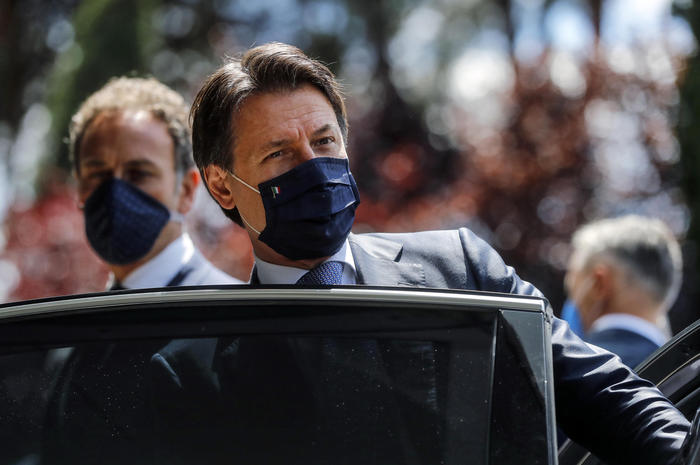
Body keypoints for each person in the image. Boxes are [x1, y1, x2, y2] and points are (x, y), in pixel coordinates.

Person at [151, 43, 691, 465]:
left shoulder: (459, 268)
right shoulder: (198, 369)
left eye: (325, 141)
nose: (313, 166)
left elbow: (606, 396)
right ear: (222, 188)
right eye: (279, 154)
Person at [42, 77, 243, 465]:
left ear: (186, 191)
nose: (115, 192)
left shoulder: (237, 325)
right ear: (80, 192)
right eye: (98, 174)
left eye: (138, 174)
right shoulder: (68, 343)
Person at [564, 215, 682, 368]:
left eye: (572, 286)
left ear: (599, 284)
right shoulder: (688, 373)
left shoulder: (572, 370)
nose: (573, 301)